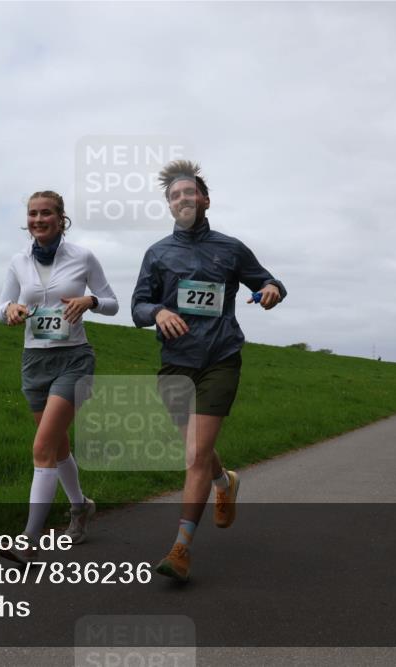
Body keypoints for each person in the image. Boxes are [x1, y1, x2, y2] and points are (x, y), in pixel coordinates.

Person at [131, 160, 287, 582]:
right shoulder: (158, 253)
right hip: (175, 366)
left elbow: (269, 283)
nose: (182, 199)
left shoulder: (230, 248)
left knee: (194, 454)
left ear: (205, 199)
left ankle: (180, 549)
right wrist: (159, 311)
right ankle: (225, 481)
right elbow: (137, 307)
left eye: (189, 193)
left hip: (220, 358)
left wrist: (271, 290)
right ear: (169, 205)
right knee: (198, 451)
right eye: (174, 195)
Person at [0, 190, 119, 563]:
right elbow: (0, 309)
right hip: (34, 362)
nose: (38, 219)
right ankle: (80, 507)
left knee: (42, 447)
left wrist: (90, 301)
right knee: (58, 445)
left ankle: (29, 541)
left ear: (61, 218)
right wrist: (12, 309)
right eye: (33, 214)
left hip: (74, 361)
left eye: (46, 213)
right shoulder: (18, 262)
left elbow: (112, 303)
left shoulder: (82, 257)